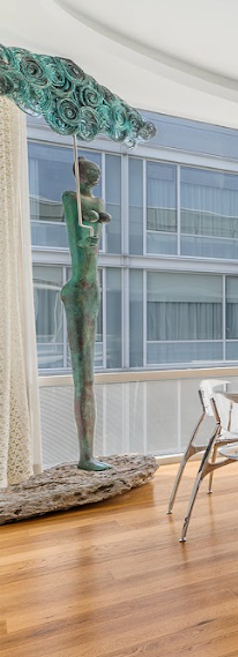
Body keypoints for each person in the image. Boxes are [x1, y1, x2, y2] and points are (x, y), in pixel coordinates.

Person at [61, 157, 112, 471]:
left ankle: (88, 455)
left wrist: (96, 219)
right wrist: (91, 224)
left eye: (97, 172)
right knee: (84, 379)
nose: (96, 175)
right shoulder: (71, 199)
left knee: (88, 379)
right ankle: (85, 456)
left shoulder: (96, 200)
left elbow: (92, 239)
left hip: (92, 287)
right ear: (80, 173)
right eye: (92, 171)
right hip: (79, 287)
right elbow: (77, 235)